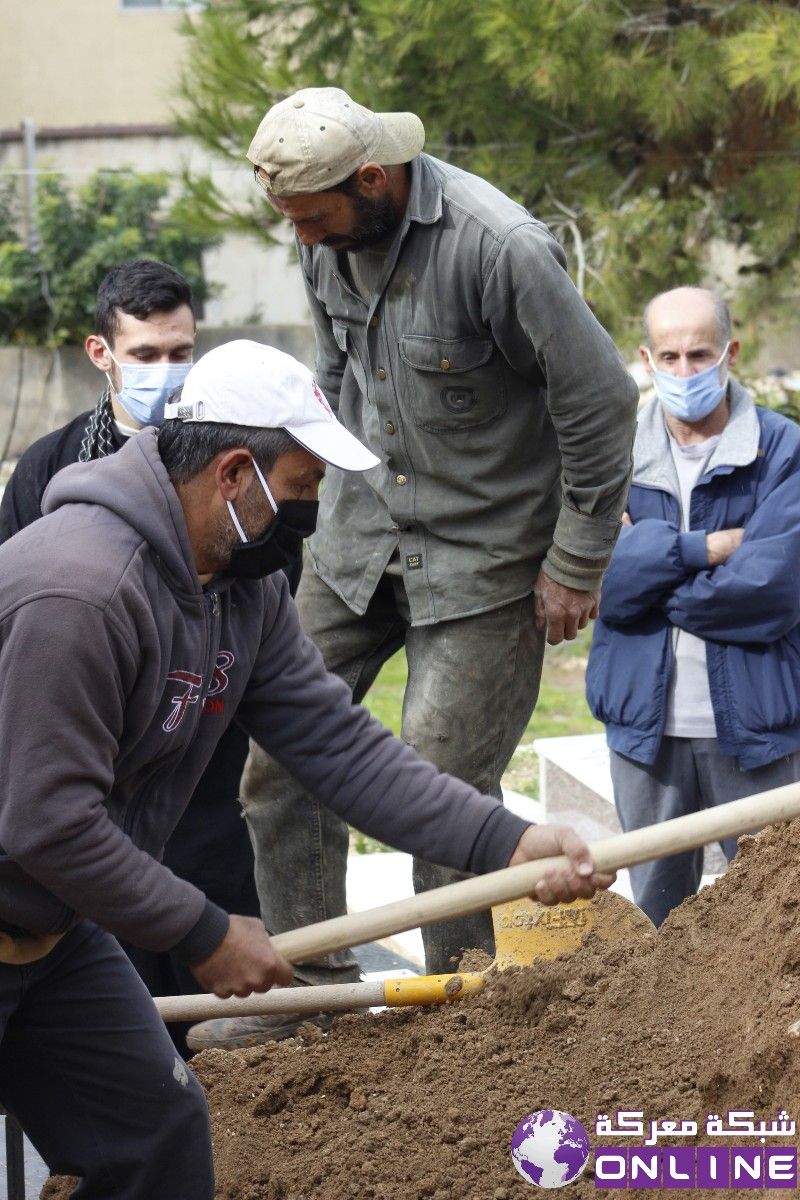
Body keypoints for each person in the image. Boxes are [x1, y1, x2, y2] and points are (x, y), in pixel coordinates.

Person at [0, 339, 612, 1200]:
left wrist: (505, 842)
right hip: (21, 892)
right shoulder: (83, 592)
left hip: (53, 937)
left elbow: (339, 745)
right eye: (304, 488)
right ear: (235, 473)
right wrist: (204, 931)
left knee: (158, 1139)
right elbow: (45, 821)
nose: (314, 511)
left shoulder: (241, 592)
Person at [186, 87, 640, 1050]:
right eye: (291, 223)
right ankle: (313, 991)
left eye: (316, 218)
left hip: (484, 559)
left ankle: (466, 1016)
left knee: (441, 790)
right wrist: (300, 511)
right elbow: (337, 380)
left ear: (373, 178)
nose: (304, 239)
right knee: (274, 768)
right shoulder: (326, 238)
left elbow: (599, 402)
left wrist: (576, 556)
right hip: (357, 544)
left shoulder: (499, 247)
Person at [0, 260, 264, 1053]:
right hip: (94, 781)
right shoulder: (49, 467)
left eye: (181, 352)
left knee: (216, 1017)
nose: (165, 371)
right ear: (100, 353)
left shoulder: (231, 462)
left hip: (204, 771)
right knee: (117, 1013)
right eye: (145, 354)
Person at [586, 286, 800, 927]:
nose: (684, 372)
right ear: (646, 360)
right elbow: (597, 583)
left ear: (730, 353)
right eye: (670, 356)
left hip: (759, 734)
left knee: (774, 925)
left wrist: (649, 571)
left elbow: (772, 592)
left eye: (699, 354)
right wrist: (706, 548)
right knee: (655, 924)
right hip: (645, 739)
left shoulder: (782, 450)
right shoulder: (611, 452)